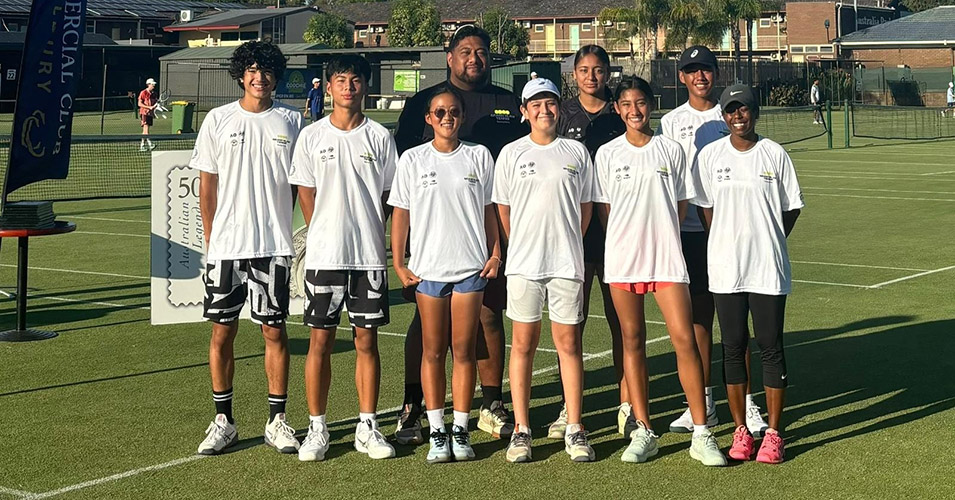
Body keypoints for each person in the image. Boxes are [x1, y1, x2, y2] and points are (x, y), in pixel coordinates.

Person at [392, 25, 526, 444]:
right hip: (433, 239)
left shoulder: (507, 102)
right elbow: (405, 180)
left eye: (481, 51)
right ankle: (413, 405)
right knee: (425, 324)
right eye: (465, 51)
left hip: (491, 232)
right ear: (449, 57)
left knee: (489, 315)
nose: (474, 58)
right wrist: (401, 251)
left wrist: (499, 244)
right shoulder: (421, 102)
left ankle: (491, 403)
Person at [594, 76, 726, 467]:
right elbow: (605, 212)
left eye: (640, 102)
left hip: (667, 259)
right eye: (626, 104)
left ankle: (701, 432)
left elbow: (681, 205)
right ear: (617, 109)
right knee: (632, 341)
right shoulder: (607, 154)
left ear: (650, 105)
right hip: (623, 262)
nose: (634, 110)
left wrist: (660, 236)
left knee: (684, 339)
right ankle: (644, 430)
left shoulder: (671, 150)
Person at [192, 41, 304, 456]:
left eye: (267, 70)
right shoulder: (218, 119)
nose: (260, 77)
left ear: (276, 76)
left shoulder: (293, 120)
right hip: (226, 248)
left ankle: (277, 421)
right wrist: (212, 238)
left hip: (273, 246)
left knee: (274, 331)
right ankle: (224, 421)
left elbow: (299, 183)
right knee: (222, 331)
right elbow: (208, 185)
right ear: (241, 75)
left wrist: (281, 226)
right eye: (253, 70)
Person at [290, 55, 398, 462]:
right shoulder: (312, 136)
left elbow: (388, 195)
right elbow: (306, 191)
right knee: (320, 341)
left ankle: (367, 426)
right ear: (329, 86)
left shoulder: (380, 137)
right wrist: (324, 229)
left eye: (355, 80)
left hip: (368, 257)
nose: (348, 87)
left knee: (367, 341)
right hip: (324, 257)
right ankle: (317, 427)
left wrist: (368, 225)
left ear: (365, 86)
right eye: (340, 80)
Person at [659, 45, 769, 438]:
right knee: (698, 319)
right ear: (682, 77)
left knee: (737, 324)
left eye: (705, 68)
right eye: (692, 70)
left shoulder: (732, 113)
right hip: (689, 233)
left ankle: (748, 402)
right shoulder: (671, 122)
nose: (699, 76)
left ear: (715, 72)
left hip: (732, 234)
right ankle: (702, 402)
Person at [389, 87, 502, 463]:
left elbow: (488, 209)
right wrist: (399, 262)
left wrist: (495, 253)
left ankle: (460, 429)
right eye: (439, 112)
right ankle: (437, 430)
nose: (447, 117)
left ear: (462, 116)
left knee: (465, 352)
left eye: (453, 111)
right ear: (428, 118)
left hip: (470, 268)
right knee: (433, 351)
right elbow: (401, 213)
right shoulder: (413, 159)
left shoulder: (478, 155)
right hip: (429, 271)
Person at [694, 84, 804, 464]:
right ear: (724, 116)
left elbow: (791, 208)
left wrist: (768, 238)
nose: (737, 116)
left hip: (767, 268)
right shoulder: (710, 156)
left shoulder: (774, 154)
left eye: (743, 109)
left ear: (755, 113)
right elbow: (706, 209)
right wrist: (726, 241)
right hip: (726, 268)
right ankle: (740, 430)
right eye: (731, 110)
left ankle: (773, 433)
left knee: (770, 347)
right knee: (733, 346)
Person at [494, 78, 595, 463]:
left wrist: (566, 241)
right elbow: (503, 210)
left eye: (550, 103)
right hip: (524, 265)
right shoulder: (511, 153)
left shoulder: (576, 152)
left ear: (559, 108)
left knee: (569, 345)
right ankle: (522, 429)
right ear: (524, 111)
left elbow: (585, 207)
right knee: (523, 344)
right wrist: (522, 244)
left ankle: (575, 427)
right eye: (535, 104)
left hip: (566, 263)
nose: (544, 110)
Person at [549, 44, 630, 440]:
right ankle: (570, 407)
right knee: (572, 326)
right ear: (574, 73)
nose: (592, 76)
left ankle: (628, 404)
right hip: (574, 236)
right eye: (584, 70)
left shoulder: (621, 111)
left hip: (617, 234)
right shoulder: (561, 114)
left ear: (608, 72)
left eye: (598, 69)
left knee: (622, 325)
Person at [138, 78, 158, 151]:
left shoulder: (154, 94)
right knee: (146, 129)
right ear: (148, 84)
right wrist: (148, 107)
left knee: (145, 131)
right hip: (144, 113)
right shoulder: (143, 92)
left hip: (150, 114)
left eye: (154, 85)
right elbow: (139, 104)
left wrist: (155, 107)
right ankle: (150, 144)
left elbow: (155, 103)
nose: (153, 86)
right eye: (152, 84)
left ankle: (142, 145)